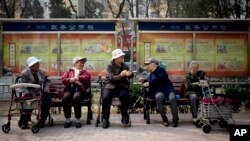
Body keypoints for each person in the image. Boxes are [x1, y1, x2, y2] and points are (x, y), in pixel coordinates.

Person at [140, 58, 179, 127]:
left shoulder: (161, 70)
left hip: (168, 89)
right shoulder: (151, 73)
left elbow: (159, 78)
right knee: (158, 97)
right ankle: (164, 119)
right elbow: (149, 80)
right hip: (159, 91)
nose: (147, 66)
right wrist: (143, 81)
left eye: (148, 64)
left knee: (172, 98)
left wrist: (149, 83)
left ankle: (175, 119)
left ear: (154, 65)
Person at [102, 49, 134, 128]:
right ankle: (105, 118)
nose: (122, 57)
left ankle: (124, 116)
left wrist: (129, 73)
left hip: (121, 86)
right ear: (115, 58)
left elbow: (131, 74)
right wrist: (121, 75)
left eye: (122, 56)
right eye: (120, 56)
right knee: (106, 97)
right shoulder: (109, 66)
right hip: (110, 85)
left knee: (125, 95)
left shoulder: (124, 65)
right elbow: (112, 78)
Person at [19, 56, 51, 129]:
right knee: (27, 101)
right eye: (36, 63)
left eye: (38, 63)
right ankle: (25, 121)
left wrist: (45, 90)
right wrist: (26, 93)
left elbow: (47, 82)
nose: (38, 65)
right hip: (29, 92)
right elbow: (22, 85)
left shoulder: (42, 72)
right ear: (32, 66)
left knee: (47, 100)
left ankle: (42, 120)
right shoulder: (24, 73)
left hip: (40, 92)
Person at [61, 57, 91, 128]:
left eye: (83, 63)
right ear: (75, 63)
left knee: (76, 98)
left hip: (79, 90)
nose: (82, 64)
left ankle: (78, 120)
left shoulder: (85, 72)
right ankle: (67, 120)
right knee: (65, 98)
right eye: (80, 62)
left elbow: (87, 78)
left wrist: (78, 78)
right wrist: (70, 79)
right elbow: (63, 80)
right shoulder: (69, 71)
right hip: (69, 89)